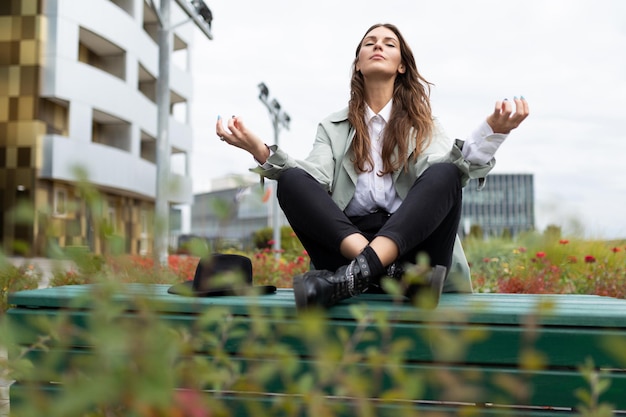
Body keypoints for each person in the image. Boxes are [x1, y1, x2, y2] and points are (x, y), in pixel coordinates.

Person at [215, 23, 529, 311]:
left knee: (445, 174)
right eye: (370, 42)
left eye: (389, 44)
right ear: (358, 63)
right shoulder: (331, 127)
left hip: (416, 249)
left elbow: (442, 173)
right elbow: (315, 178)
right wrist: (260, 150)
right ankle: (389, 273)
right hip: (349, 247)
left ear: (402, 65)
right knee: (293, 181)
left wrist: (489, 135)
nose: (378, 46)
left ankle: (356, 276)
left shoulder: (425, 125)